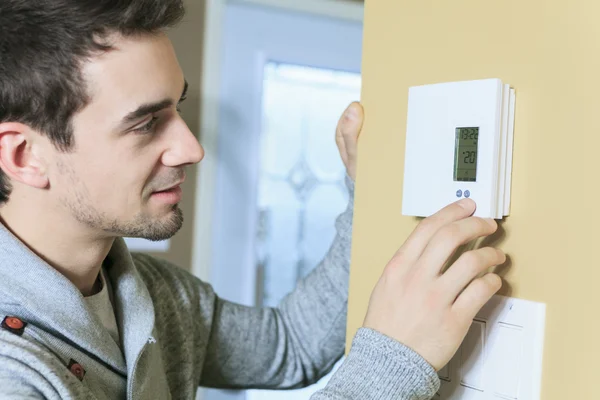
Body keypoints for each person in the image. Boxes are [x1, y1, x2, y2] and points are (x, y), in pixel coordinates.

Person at [0, 1, 505, 399]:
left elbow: (290, 346)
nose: (192, 147)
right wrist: (391, 363)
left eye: (178, 108)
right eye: (146, 123)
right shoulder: (13, 374)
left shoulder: (154, 295)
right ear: (24, 156)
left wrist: (362, 193)